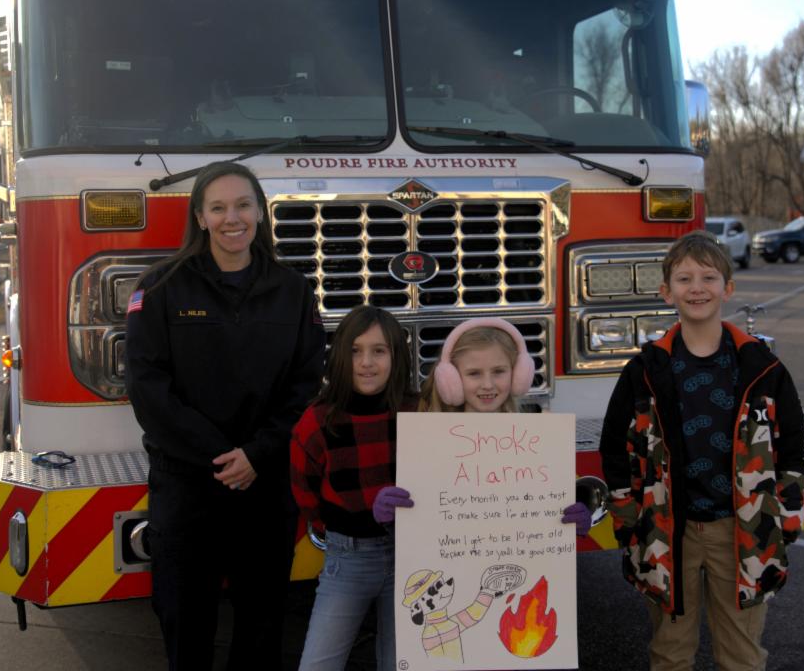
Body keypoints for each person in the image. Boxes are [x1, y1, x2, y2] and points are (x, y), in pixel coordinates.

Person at [125, 161, 325, 670]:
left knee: (261, 626)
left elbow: (305, 385)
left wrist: (257, 454)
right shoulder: (160, 287)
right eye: (218, 207)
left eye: (242, 205)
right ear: (200, 216)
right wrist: (219, 455)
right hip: (188, 486)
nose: (231, 218)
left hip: (265, 485)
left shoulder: (294, 291)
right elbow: (148, 389)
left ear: (260, 212)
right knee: (185, 622)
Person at [598, 231, 804, 671]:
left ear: (728, 289)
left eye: (709, 277)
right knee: (670, 652)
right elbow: (614, 444)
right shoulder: (644, 370)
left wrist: (788, 514)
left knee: (741, 654)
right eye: (684, 278)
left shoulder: (762, 368)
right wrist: (626, 514)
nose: (697, 288)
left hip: (742, 531)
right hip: (665, 531)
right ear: (666, 291)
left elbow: (793, 444)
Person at [375, 317, 591, 535]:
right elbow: (418, 521)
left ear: (517, 374)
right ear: (452, 380)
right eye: (474, 373)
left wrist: (572, 522)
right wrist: (391, 514)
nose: (487, 384)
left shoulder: (538, 443)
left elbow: (547, 511)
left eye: (498, 371)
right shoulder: (426, 443)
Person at [290, 306, 414, 671]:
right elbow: (305, 492)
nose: (366, 362)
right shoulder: (317, 420)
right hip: (348, 560)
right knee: (317, 663)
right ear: (340, 356)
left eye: (379, 351)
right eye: (356, 351)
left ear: (397, 355)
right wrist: (335, 528)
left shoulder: (419, 411)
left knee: (401, 663)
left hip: (412, 558)